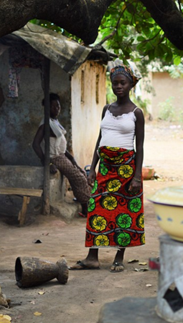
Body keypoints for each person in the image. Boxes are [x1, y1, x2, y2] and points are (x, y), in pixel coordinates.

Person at [70, 65, 145, 272]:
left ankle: (119, 258)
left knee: (123, 211)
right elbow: (100, 139)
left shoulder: (136, 113)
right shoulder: (107, 109)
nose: (118, 86)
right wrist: (92, 167)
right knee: (96, 208)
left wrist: (137, 176)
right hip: (105, 167)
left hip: (126, 169)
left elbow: (140, 147)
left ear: (131, 85)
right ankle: (92, 257)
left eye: (123, 83)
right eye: (115, 83)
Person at [32, 93, 91, 217]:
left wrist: (72, 158)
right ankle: (87, 208)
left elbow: (61, 147)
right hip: (55, 158)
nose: (57, 109)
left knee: (81, 173)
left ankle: (84, 202)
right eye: (53, 106)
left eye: (58, 106)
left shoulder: (55, 122)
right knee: (78, 178)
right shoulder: (45, 124)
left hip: (62, 157)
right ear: (47, 108)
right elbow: (35, 144)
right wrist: (46, 162)